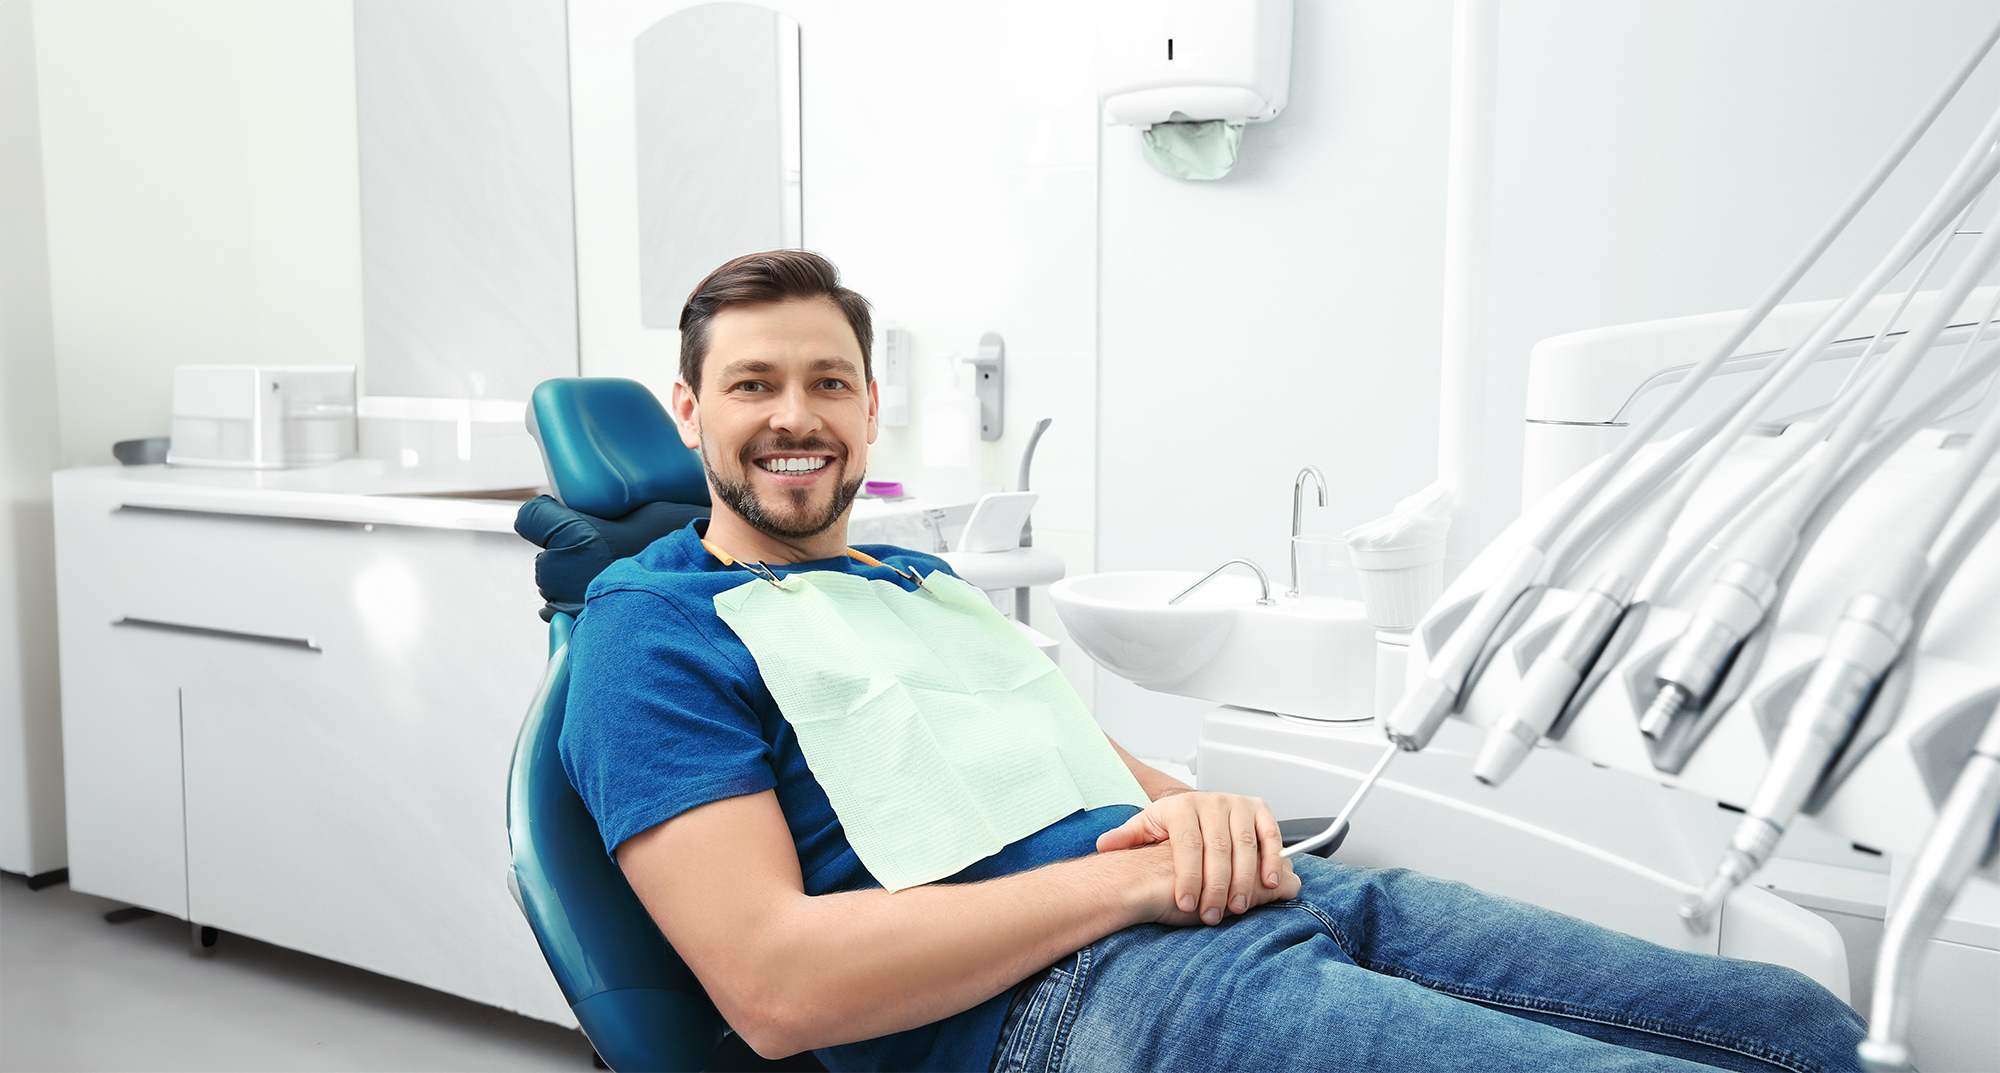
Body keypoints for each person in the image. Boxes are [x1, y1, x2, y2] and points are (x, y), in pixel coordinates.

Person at [560, 250, 1868, 1073]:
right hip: (1073, 999)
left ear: (868, 407)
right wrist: (1129, 890)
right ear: (688, 412)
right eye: (751, 385)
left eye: (828, 382)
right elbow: (778, 985)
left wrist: (1211, 816)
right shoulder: (651, 628)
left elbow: (1099, 776)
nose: (796, 415)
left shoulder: (920, 583)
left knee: (1796, 1025)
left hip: (1259, 898)